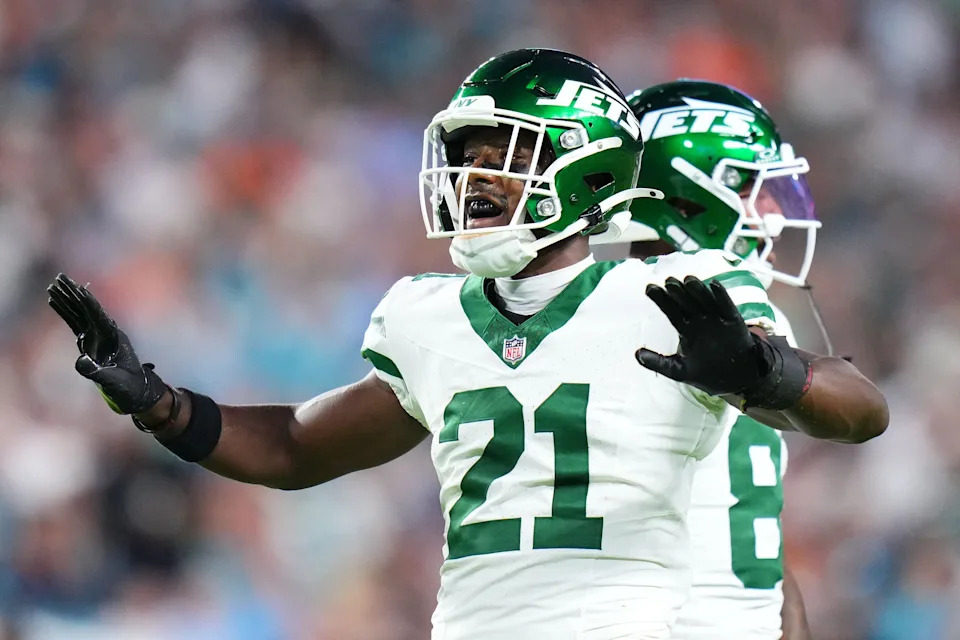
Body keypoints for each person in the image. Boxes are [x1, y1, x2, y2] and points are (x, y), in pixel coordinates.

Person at [47, 50, 887, 640]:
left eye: (504, 155)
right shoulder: (430, 317)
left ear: (587, 168)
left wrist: (765, 372)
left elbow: (855, 412)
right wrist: (161, 405)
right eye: (469, 156)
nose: (475, 176)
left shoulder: (671, 298)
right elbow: (299, 445)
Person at [593, 79, 845, 639]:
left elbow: (754, 543)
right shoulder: (625, 316)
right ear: (685, 196)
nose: (774, 212)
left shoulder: (605, 310)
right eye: (754, 187)